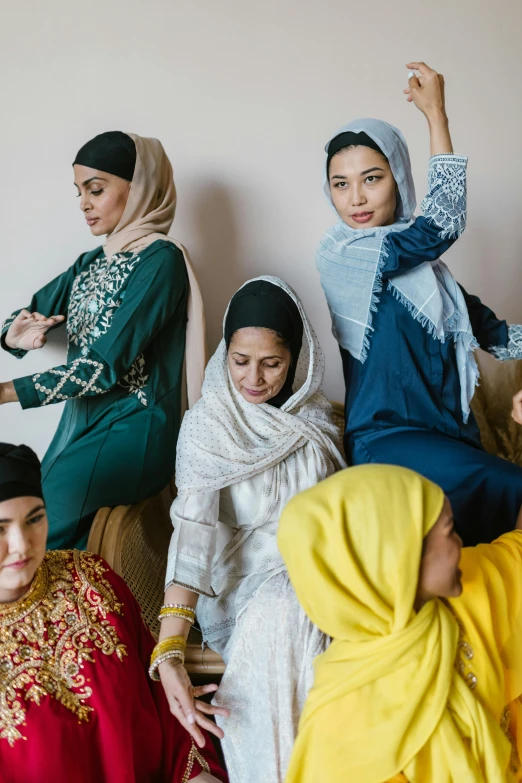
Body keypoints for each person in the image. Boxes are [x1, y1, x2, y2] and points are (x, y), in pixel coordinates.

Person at [316, 61, 522, 545]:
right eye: (340, 184)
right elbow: (443, 224)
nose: (356, 198)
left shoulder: (433, 277)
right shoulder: (343, 255)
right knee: (515, 487)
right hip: (387, 442)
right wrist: (436, 116)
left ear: (399, 178)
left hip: (452, 442)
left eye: (372, 178)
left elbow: (498, 335)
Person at [156, 277, 346, 783]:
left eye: (272, 363)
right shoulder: (207, 426)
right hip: (243, 594)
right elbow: (193, 535)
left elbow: (333, 523)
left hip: (315, 586)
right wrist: (170, 643)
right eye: (240, 360)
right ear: (225, 351)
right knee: (286, 606)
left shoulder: (315, 422)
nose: (254, 379)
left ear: (297, 357)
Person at [0, 131, 206, 550]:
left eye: (96, 189)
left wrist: (6, 392)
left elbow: (103, 366)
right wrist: (11, 333)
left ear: (141, 188)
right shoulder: (91, 263)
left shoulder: (161, 261)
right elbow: (27, 312)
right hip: (81, 425)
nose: (84, 203)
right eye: (79, 192)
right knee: (29, 520)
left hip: (134, 428)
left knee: (36, 530)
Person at [278, 463, 522, 783]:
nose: (461, 543)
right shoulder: (341, 733)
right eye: (449, 531)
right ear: (398, 561)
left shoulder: (470, 586)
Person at [0, 442, 227, 783]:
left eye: (35, 519)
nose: (22, 544)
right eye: (0, 527)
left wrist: (198, 776)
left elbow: (161, 707)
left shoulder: (90, 578)